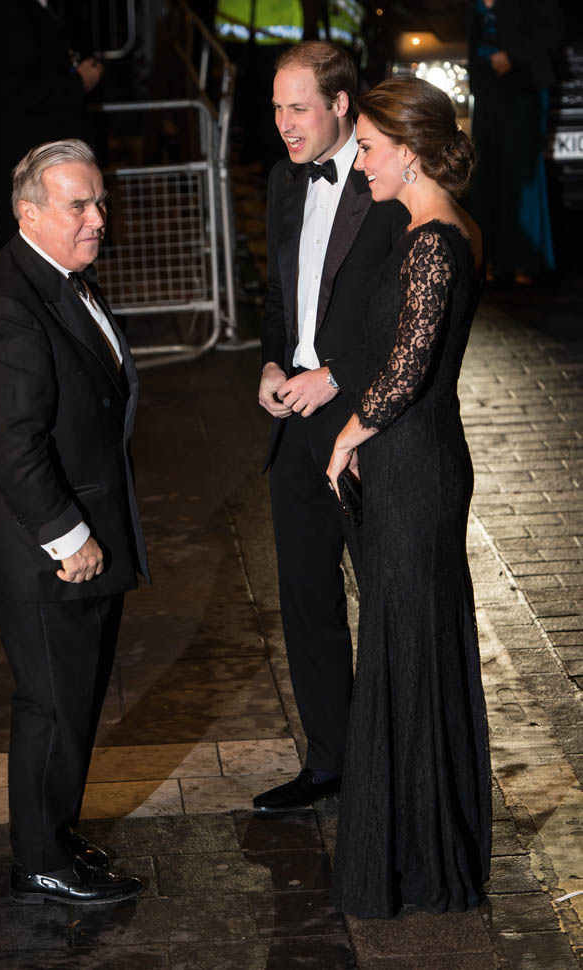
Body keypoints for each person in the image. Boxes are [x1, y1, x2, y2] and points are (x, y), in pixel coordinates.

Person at [0, 139, 149, 905]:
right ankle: (37, 860)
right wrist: (71, 538)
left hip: (76, 534)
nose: (98, 217)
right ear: (28, 213)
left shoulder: (59, 277)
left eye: (100, 201)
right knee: (52, 704)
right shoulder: (11, 302)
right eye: (78, 205)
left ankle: (54, 833)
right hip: (43, 550)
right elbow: (12, 442)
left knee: (75, 700)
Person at [326, 76, 491, 918]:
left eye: (367, 148)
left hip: (415, 467)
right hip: (419, 459)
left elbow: (407, 370)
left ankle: (420, 862)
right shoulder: (445, 228)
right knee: (412, 646)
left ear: (410, 152)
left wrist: (348, 435)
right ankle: (423, 850)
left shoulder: (431, 242)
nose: (360, 163)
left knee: (407, 647)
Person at [254, 41, 408, 812]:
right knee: (306, 597)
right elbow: (278, 294)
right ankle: (330, 761)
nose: (284, 123)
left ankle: (396, 763)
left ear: (341, 104)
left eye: (299, 108)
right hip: (295, 428)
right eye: (277, 108)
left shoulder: (386, 181)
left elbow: (407, 319)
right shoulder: (283, 180)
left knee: (383, 595)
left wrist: (336, 375)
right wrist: (271, 365)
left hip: (364, 426)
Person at [0, 0, 105, 249]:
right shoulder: (11, 13)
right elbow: (15, 92)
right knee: (35, 242)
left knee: (60, 242)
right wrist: (78, 82)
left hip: (51, 155)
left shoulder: (51, 9)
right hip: (33, 157)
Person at [467, 0, 564, 284]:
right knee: (486, 172)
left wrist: (513, 55)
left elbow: (554, 29)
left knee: (521, 174)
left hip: (524, 84)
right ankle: (489, 260)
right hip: (487, 88)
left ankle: (525, 259)